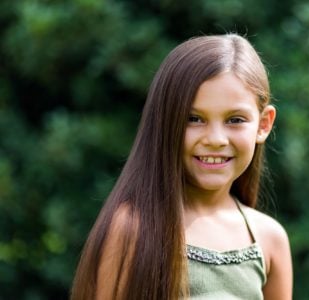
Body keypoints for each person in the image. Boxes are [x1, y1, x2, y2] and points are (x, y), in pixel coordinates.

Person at [71, 33, 292, 300]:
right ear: (166, 121)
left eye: (235, 120)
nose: (215, 139)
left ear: (264, 124)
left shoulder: (269, 239)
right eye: (194, 118)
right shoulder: (134, 229)